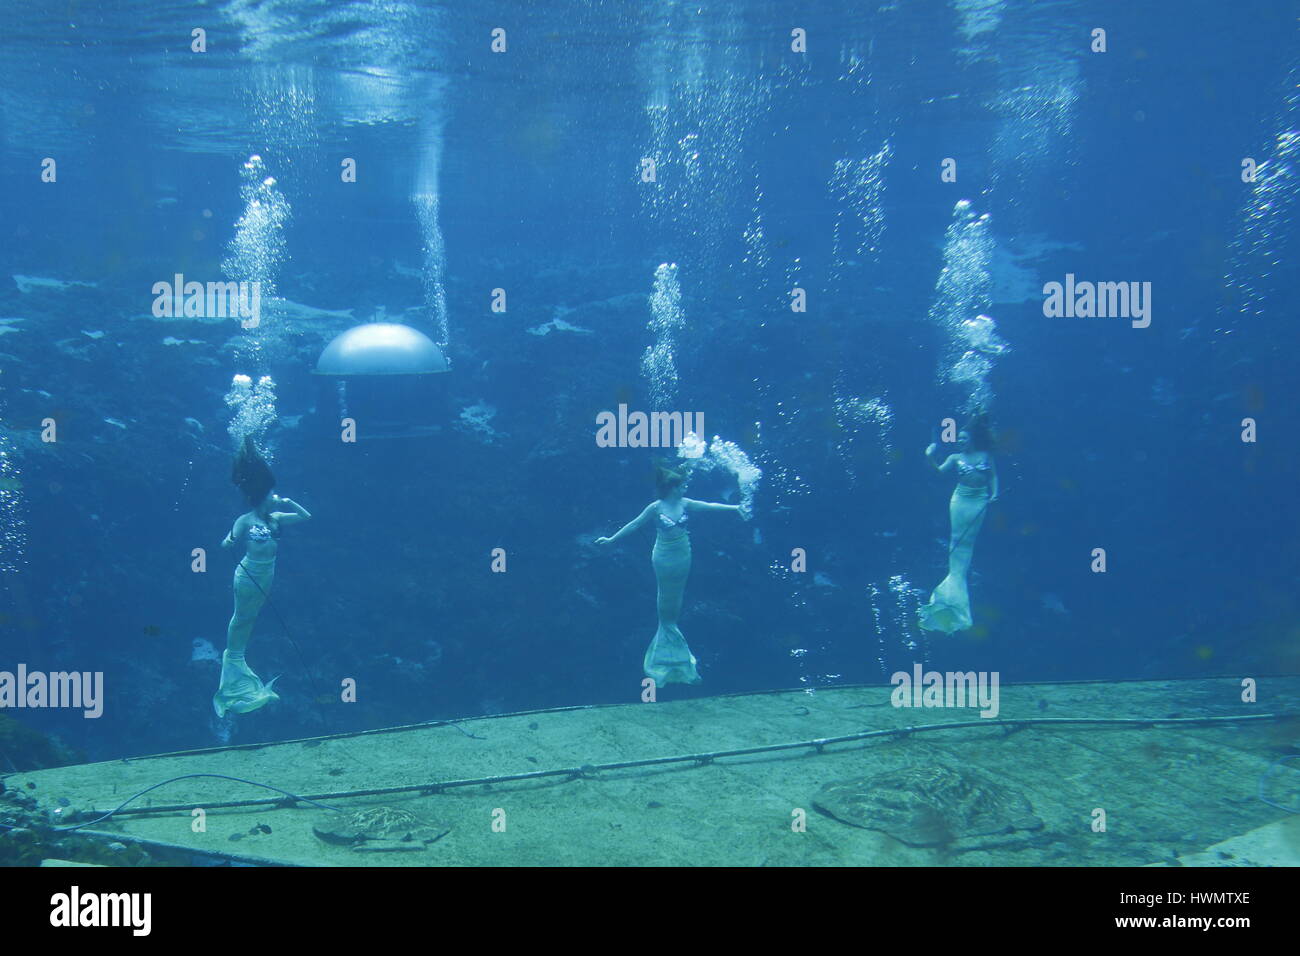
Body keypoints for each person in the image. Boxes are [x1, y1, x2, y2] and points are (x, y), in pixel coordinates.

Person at [596, 463, 745, 685]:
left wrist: (735, 508)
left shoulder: (686, 503)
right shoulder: (656, 507)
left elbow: (709, 506)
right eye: (682, 485)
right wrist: (611, 540)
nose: (685, 487)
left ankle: (671, 634)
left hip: (683, 553)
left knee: (678, 595)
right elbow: (634, 524)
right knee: (665, 594)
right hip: (663, 556)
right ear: (673, 488)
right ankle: (667, 633)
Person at [214, 436, 311, 717]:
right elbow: (227, 540)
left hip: (268, 572)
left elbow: (306, 516)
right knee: (242, 614)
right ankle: (233, 659)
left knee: (252, 614)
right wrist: (229, 543)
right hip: (248, 572)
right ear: (260, 496)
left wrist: (289, 500)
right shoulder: (246, 520)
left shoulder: (277, 517)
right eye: (270, 495)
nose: (273, 497)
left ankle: (238, 659)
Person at [918, 412, 999, 634]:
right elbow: (939, 471)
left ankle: (953, 592)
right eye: (958, 440)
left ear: (972, 439)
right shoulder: (955, 458)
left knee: (968, 544)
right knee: (956, 542)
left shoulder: (985, 454)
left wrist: (995, 493)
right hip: (960, 500)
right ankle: (950, 590)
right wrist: (929, 456)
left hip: (979, 499)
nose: (960, 442)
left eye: (963, 439)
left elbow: (993, 476)